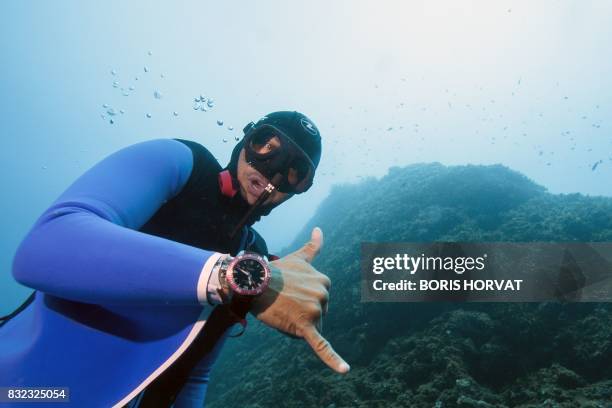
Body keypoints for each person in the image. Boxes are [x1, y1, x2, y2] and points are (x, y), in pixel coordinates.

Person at [0, 111, 349, 407]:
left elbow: (194, 370)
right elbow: (47, 244)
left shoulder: (253, 255)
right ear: (245, 140)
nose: (273, 171)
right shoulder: (181, 164)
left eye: (295, 172)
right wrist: (233, 276)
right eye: (266, 146)